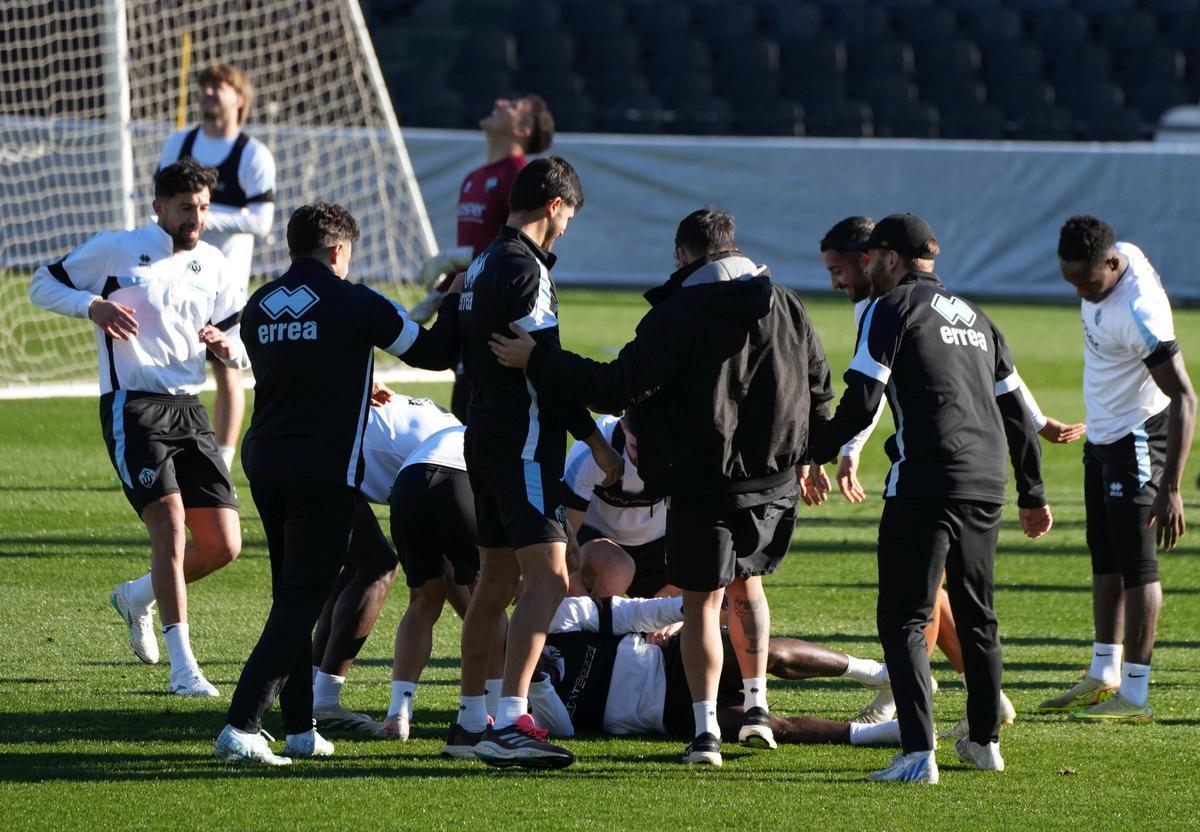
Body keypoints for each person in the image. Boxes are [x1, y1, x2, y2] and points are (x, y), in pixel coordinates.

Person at [491, 207, 833, 766]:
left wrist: (541, 358)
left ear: (683, 254)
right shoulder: (788, 302)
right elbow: (819, 388)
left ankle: (704, 736)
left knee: (702, 605)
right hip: (774, 483)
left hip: (704, 484)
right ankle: (755, 708)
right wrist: (813, 454)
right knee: (749, 589)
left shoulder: (679, 312)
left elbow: (615, 386)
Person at [807, 213, 1053, 784]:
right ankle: (984, 742)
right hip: (986, 482)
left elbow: (863, 398)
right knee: (977, 616)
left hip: (925, 481)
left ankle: (919, 752)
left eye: (875, 256)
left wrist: (812, 447)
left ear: (892, 257)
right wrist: (1032, 491)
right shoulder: (977, 316)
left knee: (903, 617)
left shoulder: (891, 308)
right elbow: (1016, 412)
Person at [214, 202, 458, 766]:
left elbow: (304, 365)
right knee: (304, 596)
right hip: (320, 468)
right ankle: (242, 724)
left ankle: (300, 727)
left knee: (292, 594)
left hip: (264, 457)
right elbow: (434, 352)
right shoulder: (355, 301)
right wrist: (457, 300)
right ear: (340, 249)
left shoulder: (260, 305)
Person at [29, 159, 246, 697]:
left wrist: (227, 347)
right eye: (183, 208)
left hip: (188, 408)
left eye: (201, 208)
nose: (194, 218)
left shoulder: (216, 264)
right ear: (158, 208)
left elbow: (237, 336)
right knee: (170, 528)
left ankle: (136, 597)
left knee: (223, 546)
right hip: (133, 408)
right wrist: (93, 305)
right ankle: (183, 668)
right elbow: (41, 284)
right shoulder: (116, 247)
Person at [451, 156, 622, 770]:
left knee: (494, 585)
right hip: (522, 443)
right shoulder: (526, 269)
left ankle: (472, 720)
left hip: (483, 437)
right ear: (554, 206)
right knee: (548, 578)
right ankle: (511, 719)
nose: (568, 227)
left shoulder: (481, 264)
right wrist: (596, 441)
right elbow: (544, 368)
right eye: (570, 214)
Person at [1039, 215, 1195, 723]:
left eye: (1088, 282)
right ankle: (1104, 669)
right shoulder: (1118, 251)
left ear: (1111, 264)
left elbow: (1186, 398)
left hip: (1136, 439)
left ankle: (1137, 693)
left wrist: (1171, 487)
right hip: (1102, 435)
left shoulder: (1141, 313)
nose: (1081, 291)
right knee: (1103, 557)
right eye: (1072, 283)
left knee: (1138, 566)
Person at [527, 590, 900, 755]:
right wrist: (539, 681)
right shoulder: (515, 695)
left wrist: (686, 608)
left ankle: (882, 675)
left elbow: (629, 614)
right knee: (767, 728)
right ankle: (886, 733)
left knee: (765, 653)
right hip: (667, 715)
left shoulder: (559, 616)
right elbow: (564, 730)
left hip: (671, 659)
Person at [305, 394, 464, 735]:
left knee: (364, 561)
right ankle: (323, 699)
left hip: (306, 445)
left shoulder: (449, 429)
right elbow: (457, 580)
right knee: (377, 566)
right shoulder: (462, 454)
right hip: (319, 457)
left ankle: (315, 689)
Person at [409, 95, 556, 423]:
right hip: (465, 306)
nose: (501, 102)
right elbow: (471, 254)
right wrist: (441, 293)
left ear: (522, 129)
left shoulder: (522, 175)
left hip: (495, 312)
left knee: (479, 413)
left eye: (513, 106)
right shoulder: (473, 178)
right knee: (463, 412)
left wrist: (454, 258)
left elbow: (523, 249)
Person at [160, 63, 276, 472]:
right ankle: (167, 449)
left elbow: (262, 222)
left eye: (218, 88)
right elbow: (160, 206)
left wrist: (205, 215)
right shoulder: (179, 143)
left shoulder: (253, 154)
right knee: (171, 362)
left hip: (225, 283)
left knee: (228, 367)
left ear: (238, 99)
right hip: (173, 277)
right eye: (204, 87)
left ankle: (222, 459)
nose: (208, 94)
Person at [563, 413, 677, 599]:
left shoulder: (684, 450)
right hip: (596, 542)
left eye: (655, 450)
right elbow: (563, 539)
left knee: (712, 604)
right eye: (636, 447)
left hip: (657, 543)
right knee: (617, 569)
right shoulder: (591, 454)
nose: (646, 459)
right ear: (623, 426)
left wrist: (677, 597)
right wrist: (579, 600)